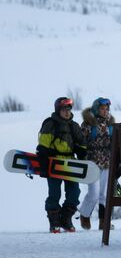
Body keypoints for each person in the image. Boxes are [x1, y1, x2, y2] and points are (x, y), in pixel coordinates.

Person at [37, 97, 87, 233]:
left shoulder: (74, 126)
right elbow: (42, 147)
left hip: (70, 163)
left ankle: (65, 219)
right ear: (58, 110)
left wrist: (82, 153)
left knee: (74, 193)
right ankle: (54, 221)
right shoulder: (50, 124)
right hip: (53, 163)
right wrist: (43, 167)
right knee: (54, 193)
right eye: (64, 110)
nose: (67, 112)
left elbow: (82, 143)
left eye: (69, 109)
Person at [79, 97, 115, 230]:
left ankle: (104, 222)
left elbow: (115, 144)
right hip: (92, 163)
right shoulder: (88, 124)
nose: (105, 111)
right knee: (93, 194)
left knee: (104, 195)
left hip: (107, 162)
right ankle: (84, 214)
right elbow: (80, 142)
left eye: (106, 109)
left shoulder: (111, 124)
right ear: (96, 109)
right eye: (102, 108)